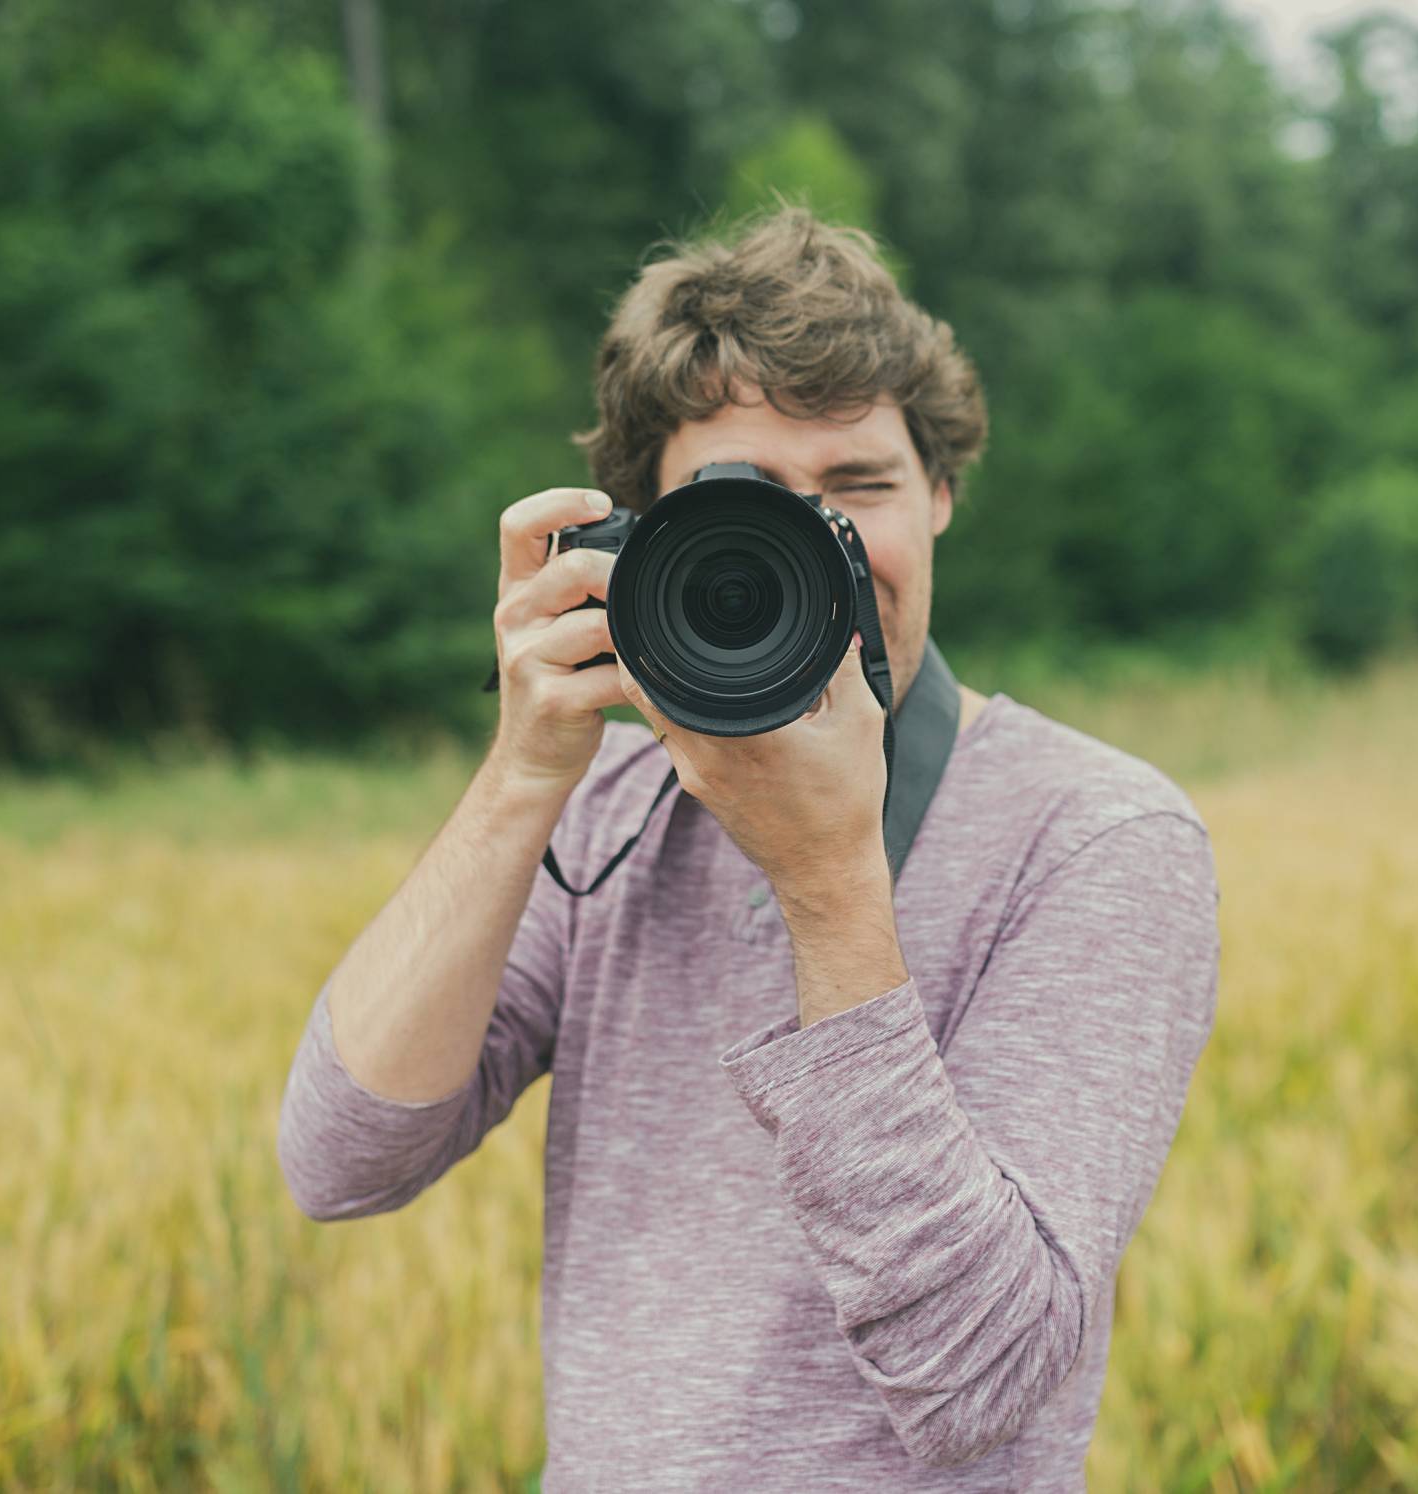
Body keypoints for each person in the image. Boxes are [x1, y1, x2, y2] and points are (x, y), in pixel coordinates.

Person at [277, 203, 1221, 1491]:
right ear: (634, 540)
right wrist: (522, 776)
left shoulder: (1094, 836)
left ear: (941, 495)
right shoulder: (610, 808)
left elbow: (983, 1378)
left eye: (860, 487)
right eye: (748, 506)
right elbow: (340, 1159)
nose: (816, 546)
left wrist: (830, 880)